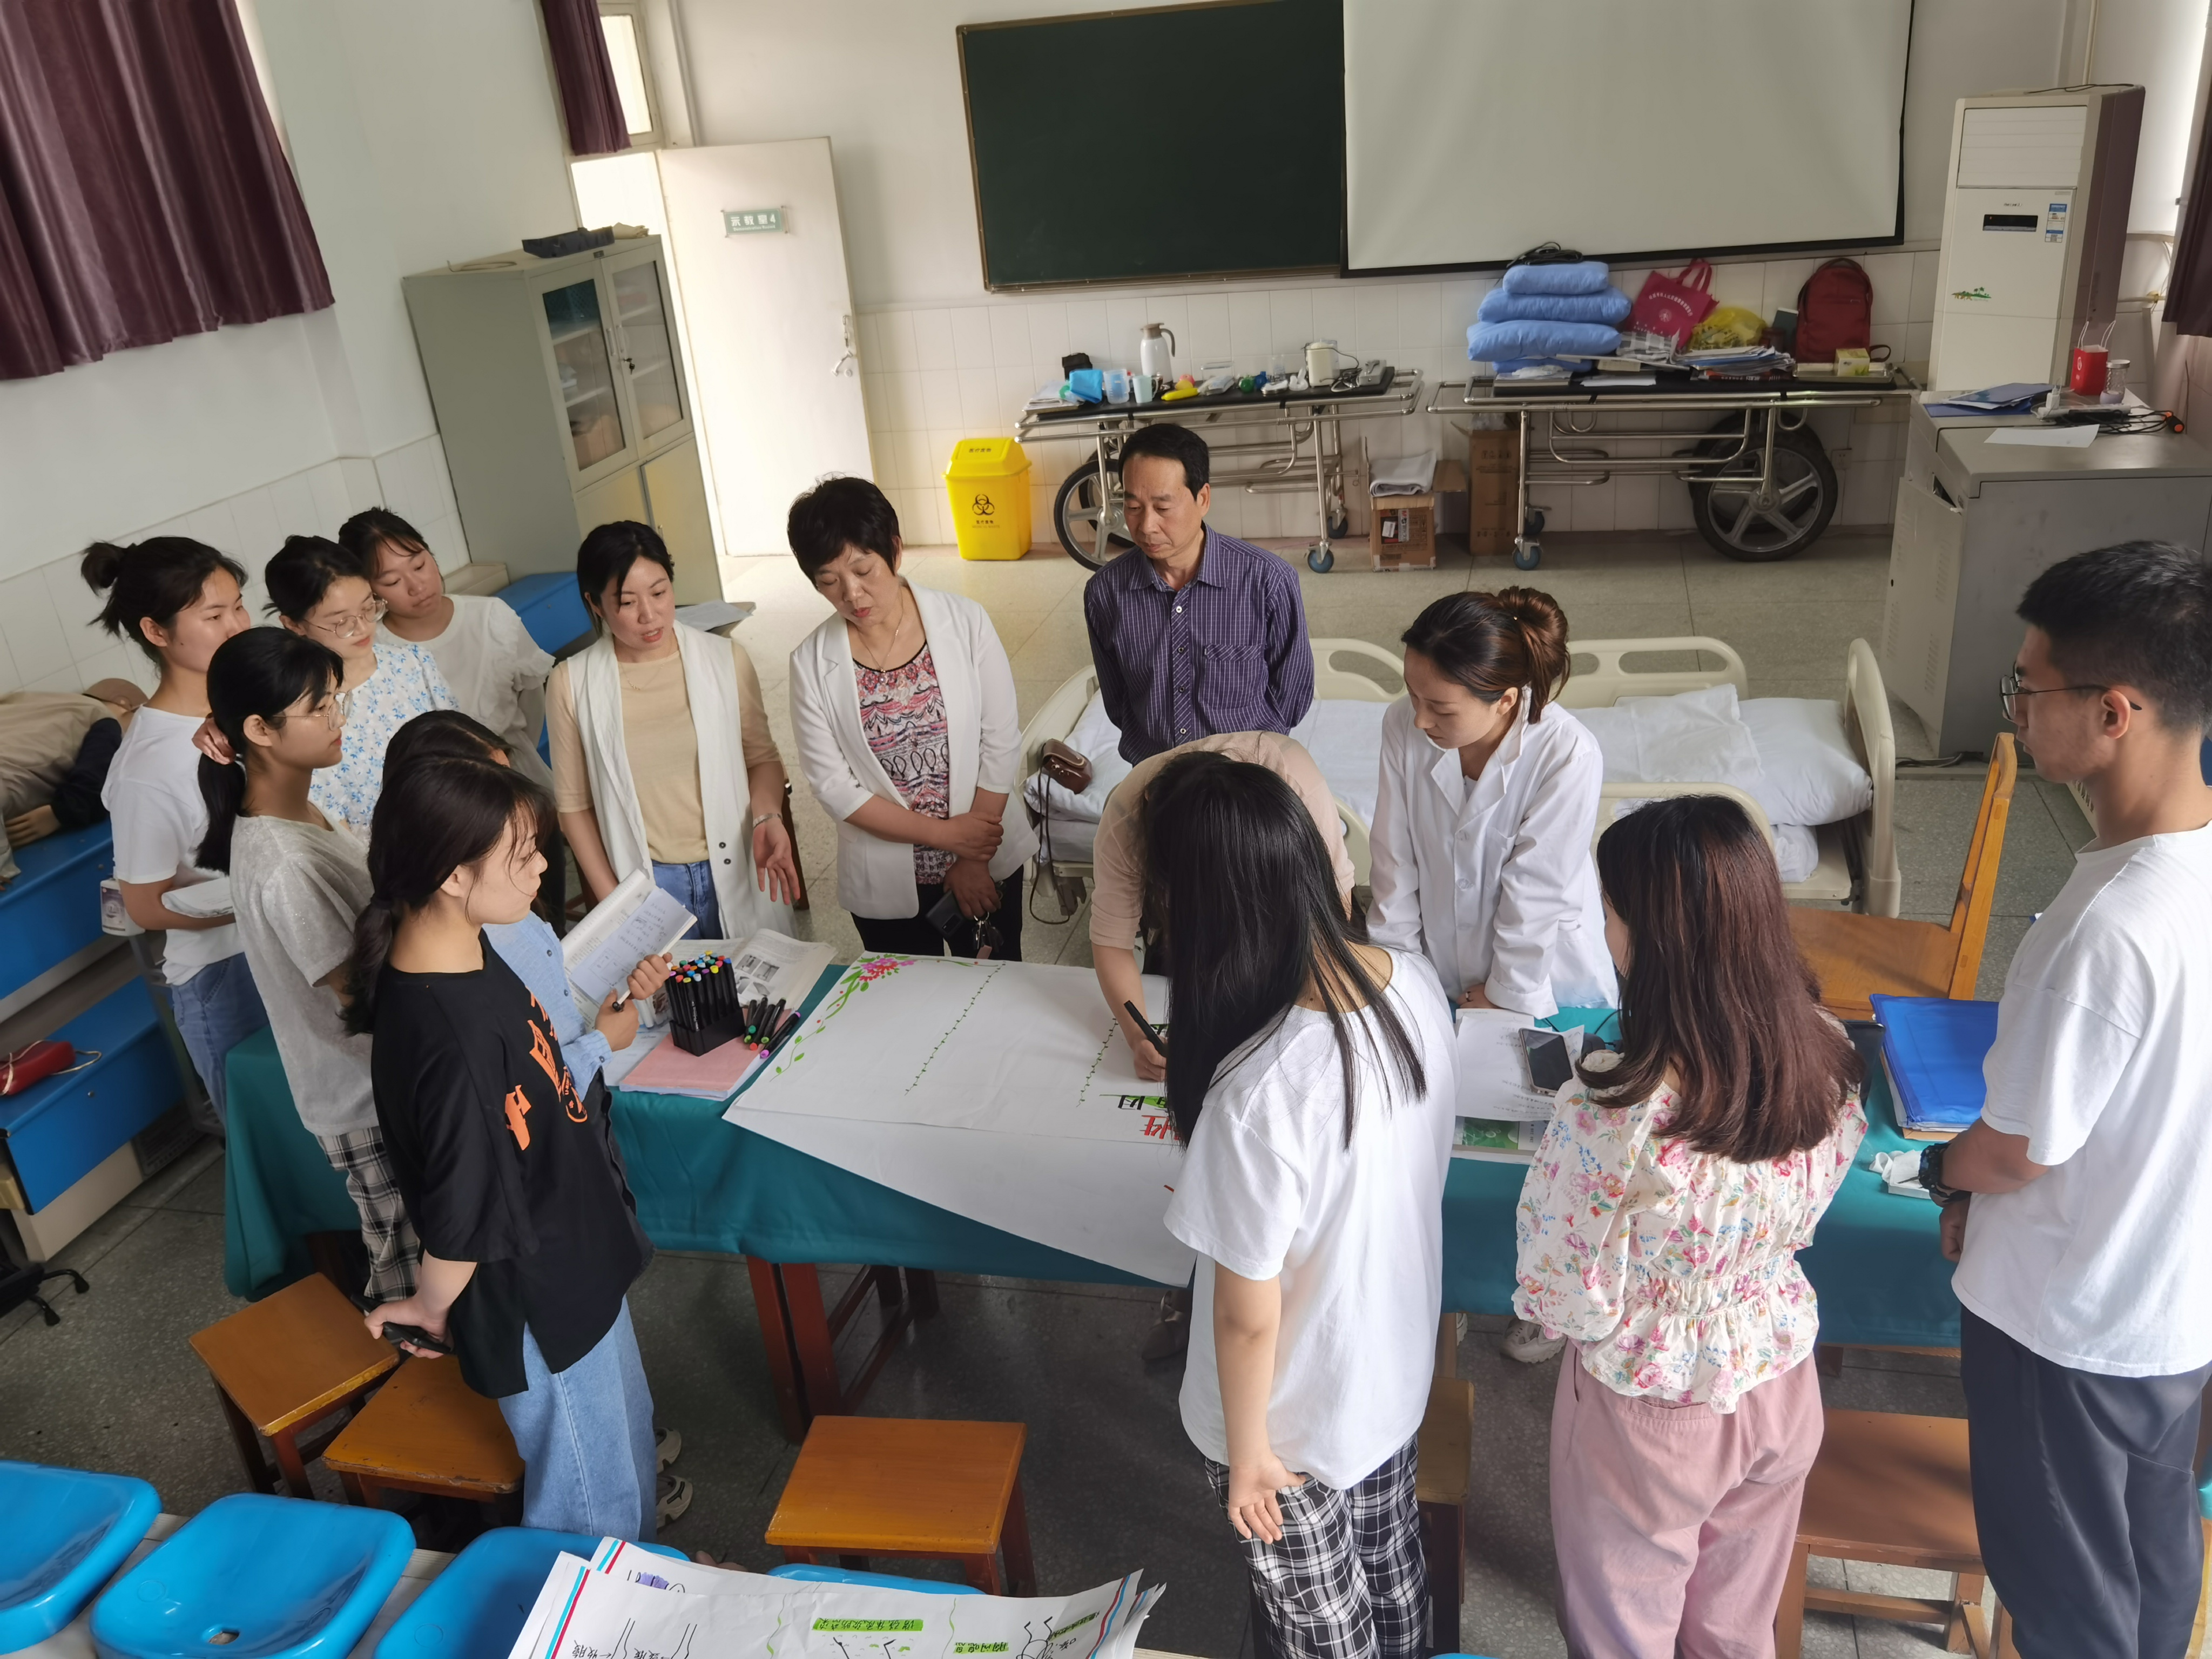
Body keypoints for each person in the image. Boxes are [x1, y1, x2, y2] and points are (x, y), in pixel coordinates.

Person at [1925, 541, 2212, 1659]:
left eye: (2028, 686)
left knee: (2065, 1608)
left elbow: (2015, 1151)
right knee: (2149, 1567)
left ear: (2113, 712)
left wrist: (1936, 1169)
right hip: (2169, 1310)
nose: (2013, 709)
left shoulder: (2104, 929)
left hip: (2066, 1330)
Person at [1514, 795, 1865, 1659]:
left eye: (1609, 911)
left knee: (1623, 1625)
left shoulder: (1614, 1110)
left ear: (1650, 941)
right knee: (1736, 1623)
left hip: (1654, 1401)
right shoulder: (1824, 1052)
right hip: (1780, 1373)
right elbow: (1817, 1195)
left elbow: (1561, 1285)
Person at [1152, 752, 1456, 1659]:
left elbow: (1245, 1318)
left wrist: (1247, 1454)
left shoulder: (1257, 1094)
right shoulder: (1414, 982)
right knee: (1392, 1573)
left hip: (1290, 1425)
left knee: (1322, 1628)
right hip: (1385, 1378)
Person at [347, 752, 659, 1542]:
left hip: (577, 1256)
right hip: (540, 1298)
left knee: (627, 1461)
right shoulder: (447, 1039)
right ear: (455, 875)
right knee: (591, 1515)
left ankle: (651, 1593)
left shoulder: (472, 950)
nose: (543, 868)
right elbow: (464, 1218)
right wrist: (429, 1307)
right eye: (523, 856)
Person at [1369, 589, 1615, 1366]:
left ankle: (1550, 1294)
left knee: (1548, 1142)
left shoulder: (1566, 753)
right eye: (1413, 696)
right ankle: (1453, 1283)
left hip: (1544, 974)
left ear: (1506, 699)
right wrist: (1397, 976)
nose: (1419, 720)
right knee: (1447, 1138)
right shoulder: (1403, 727)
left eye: (1440, 708)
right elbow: (1393, 862)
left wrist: (1503, 996)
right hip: (1435, 962)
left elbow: (1535, 891)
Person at [197, 628, 417, 1305]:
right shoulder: (285, 864)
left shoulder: (301, 812)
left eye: (334, 700)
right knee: (415, 1286)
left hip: (386, 1081)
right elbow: (360, 996)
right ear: (259, 730)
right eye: (318, 708)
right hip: (368, 1097)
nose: (336, 718)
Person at [785, 477, 1034, 958]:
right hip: (884, 876)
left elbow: (1000, 740)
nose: (853, 594)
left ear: (895, 551)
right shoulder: (810, 663)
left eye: (864, 570)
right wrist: (945, 836)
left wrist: (971, 856)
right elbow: (834, 787)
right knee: (905, 995)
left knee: (996, 987)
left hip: (984, 854)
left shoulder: (966, 621)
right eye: (829, 582)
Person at [381, 711, 671, 1094]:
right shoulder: (463, 975)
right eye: (496, 787)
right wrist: (599, 1045)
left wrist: (622, 993)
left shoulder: (501, 905)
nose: (542, 864)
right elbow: (520, 1093)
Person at [79, 539, 262, 1135]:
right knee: (274, 1146)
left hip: (287, 947)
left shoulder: (252, 706)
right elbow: (144, 905)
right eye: (214, 616)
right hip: (228, 971)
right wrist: (259, 900)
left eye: (239, 606)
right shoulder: (149, 766)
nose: (237, 626)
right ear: (157, 632)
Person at [547, 522, 799, 942]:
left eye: (660, 592)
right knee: (668, 986)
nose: (650, 615)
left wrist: (767, 815)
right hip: (647, 884)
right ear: (595, 604)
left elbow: (762, 759)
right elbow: (573, 807)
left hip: (738, 864)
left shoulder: (725, 659)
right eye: (627, 602)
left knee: (755, 981)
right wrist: (615, 904)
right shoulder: (571, 683)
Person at [1081, 423, 1314, 763]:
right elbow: (1119, 701)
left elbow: (1291, 694)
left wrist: (1251, 760)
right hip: (1156, 775)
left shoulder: (1267, 581)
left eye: (1163, 508)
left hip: (1245, 776)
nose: (1146, 526)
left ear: (1202, 499)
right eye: (1133, 507)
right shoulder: (1106, 593)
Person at [346, 509, 556, 790]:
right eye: (393, 582)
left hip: (519, 779)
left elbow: (533, 705)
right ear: (369, 591)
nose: (417, 586)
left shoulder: (491, 618)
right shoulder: (376, 652)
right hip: (443, 799)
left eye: (419, 566)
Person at [263, 534, 454, 837]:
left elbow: (463, 751)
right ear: (294, 625)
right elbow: (335, 828)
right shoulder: (302, 715)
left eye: (368, 608)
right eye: (341, 622)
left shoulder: (414, 664)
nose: (363, 627)